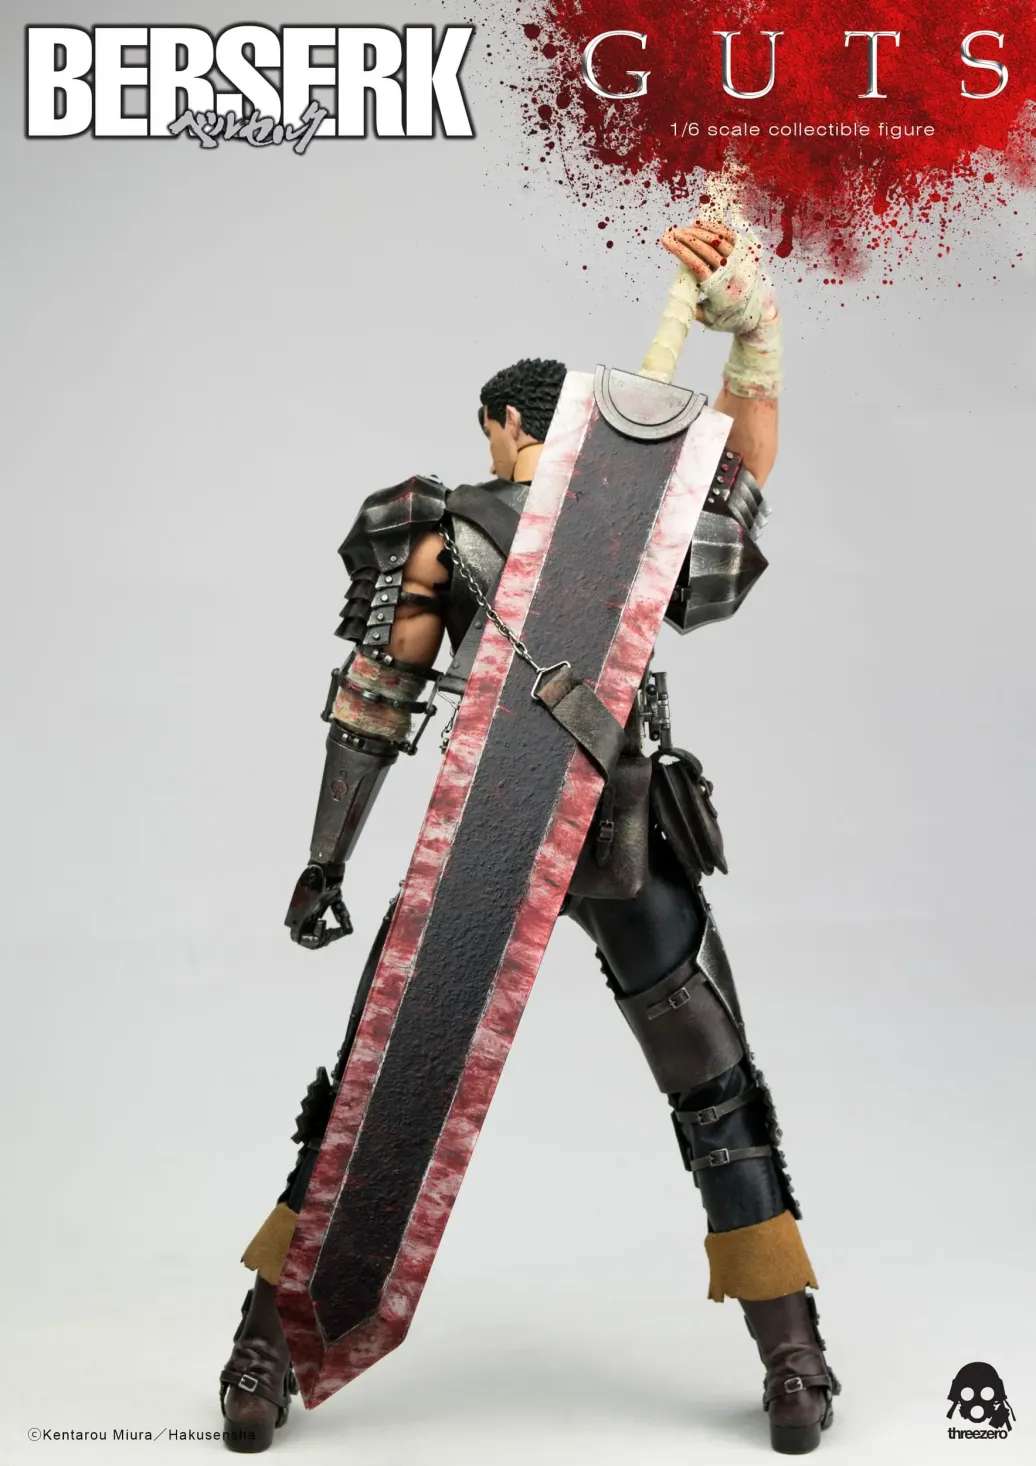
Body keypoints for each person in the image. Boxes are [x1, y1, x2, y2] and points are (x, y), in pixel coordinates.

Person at [218, 220, 839, 1455]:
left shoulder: (476, 524)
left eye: (491, 430)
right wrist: (756, 345)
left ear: (510, 427)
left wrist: (326, 858)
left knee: (382, 1093)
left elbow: (374, 700)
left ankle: (791, 1342)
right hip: (524, 826)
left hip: (590, 826)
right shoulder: (540, 522)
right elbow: (744, 488)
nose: (488, 447)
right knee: (687, 1089)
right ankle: (792, 1357)